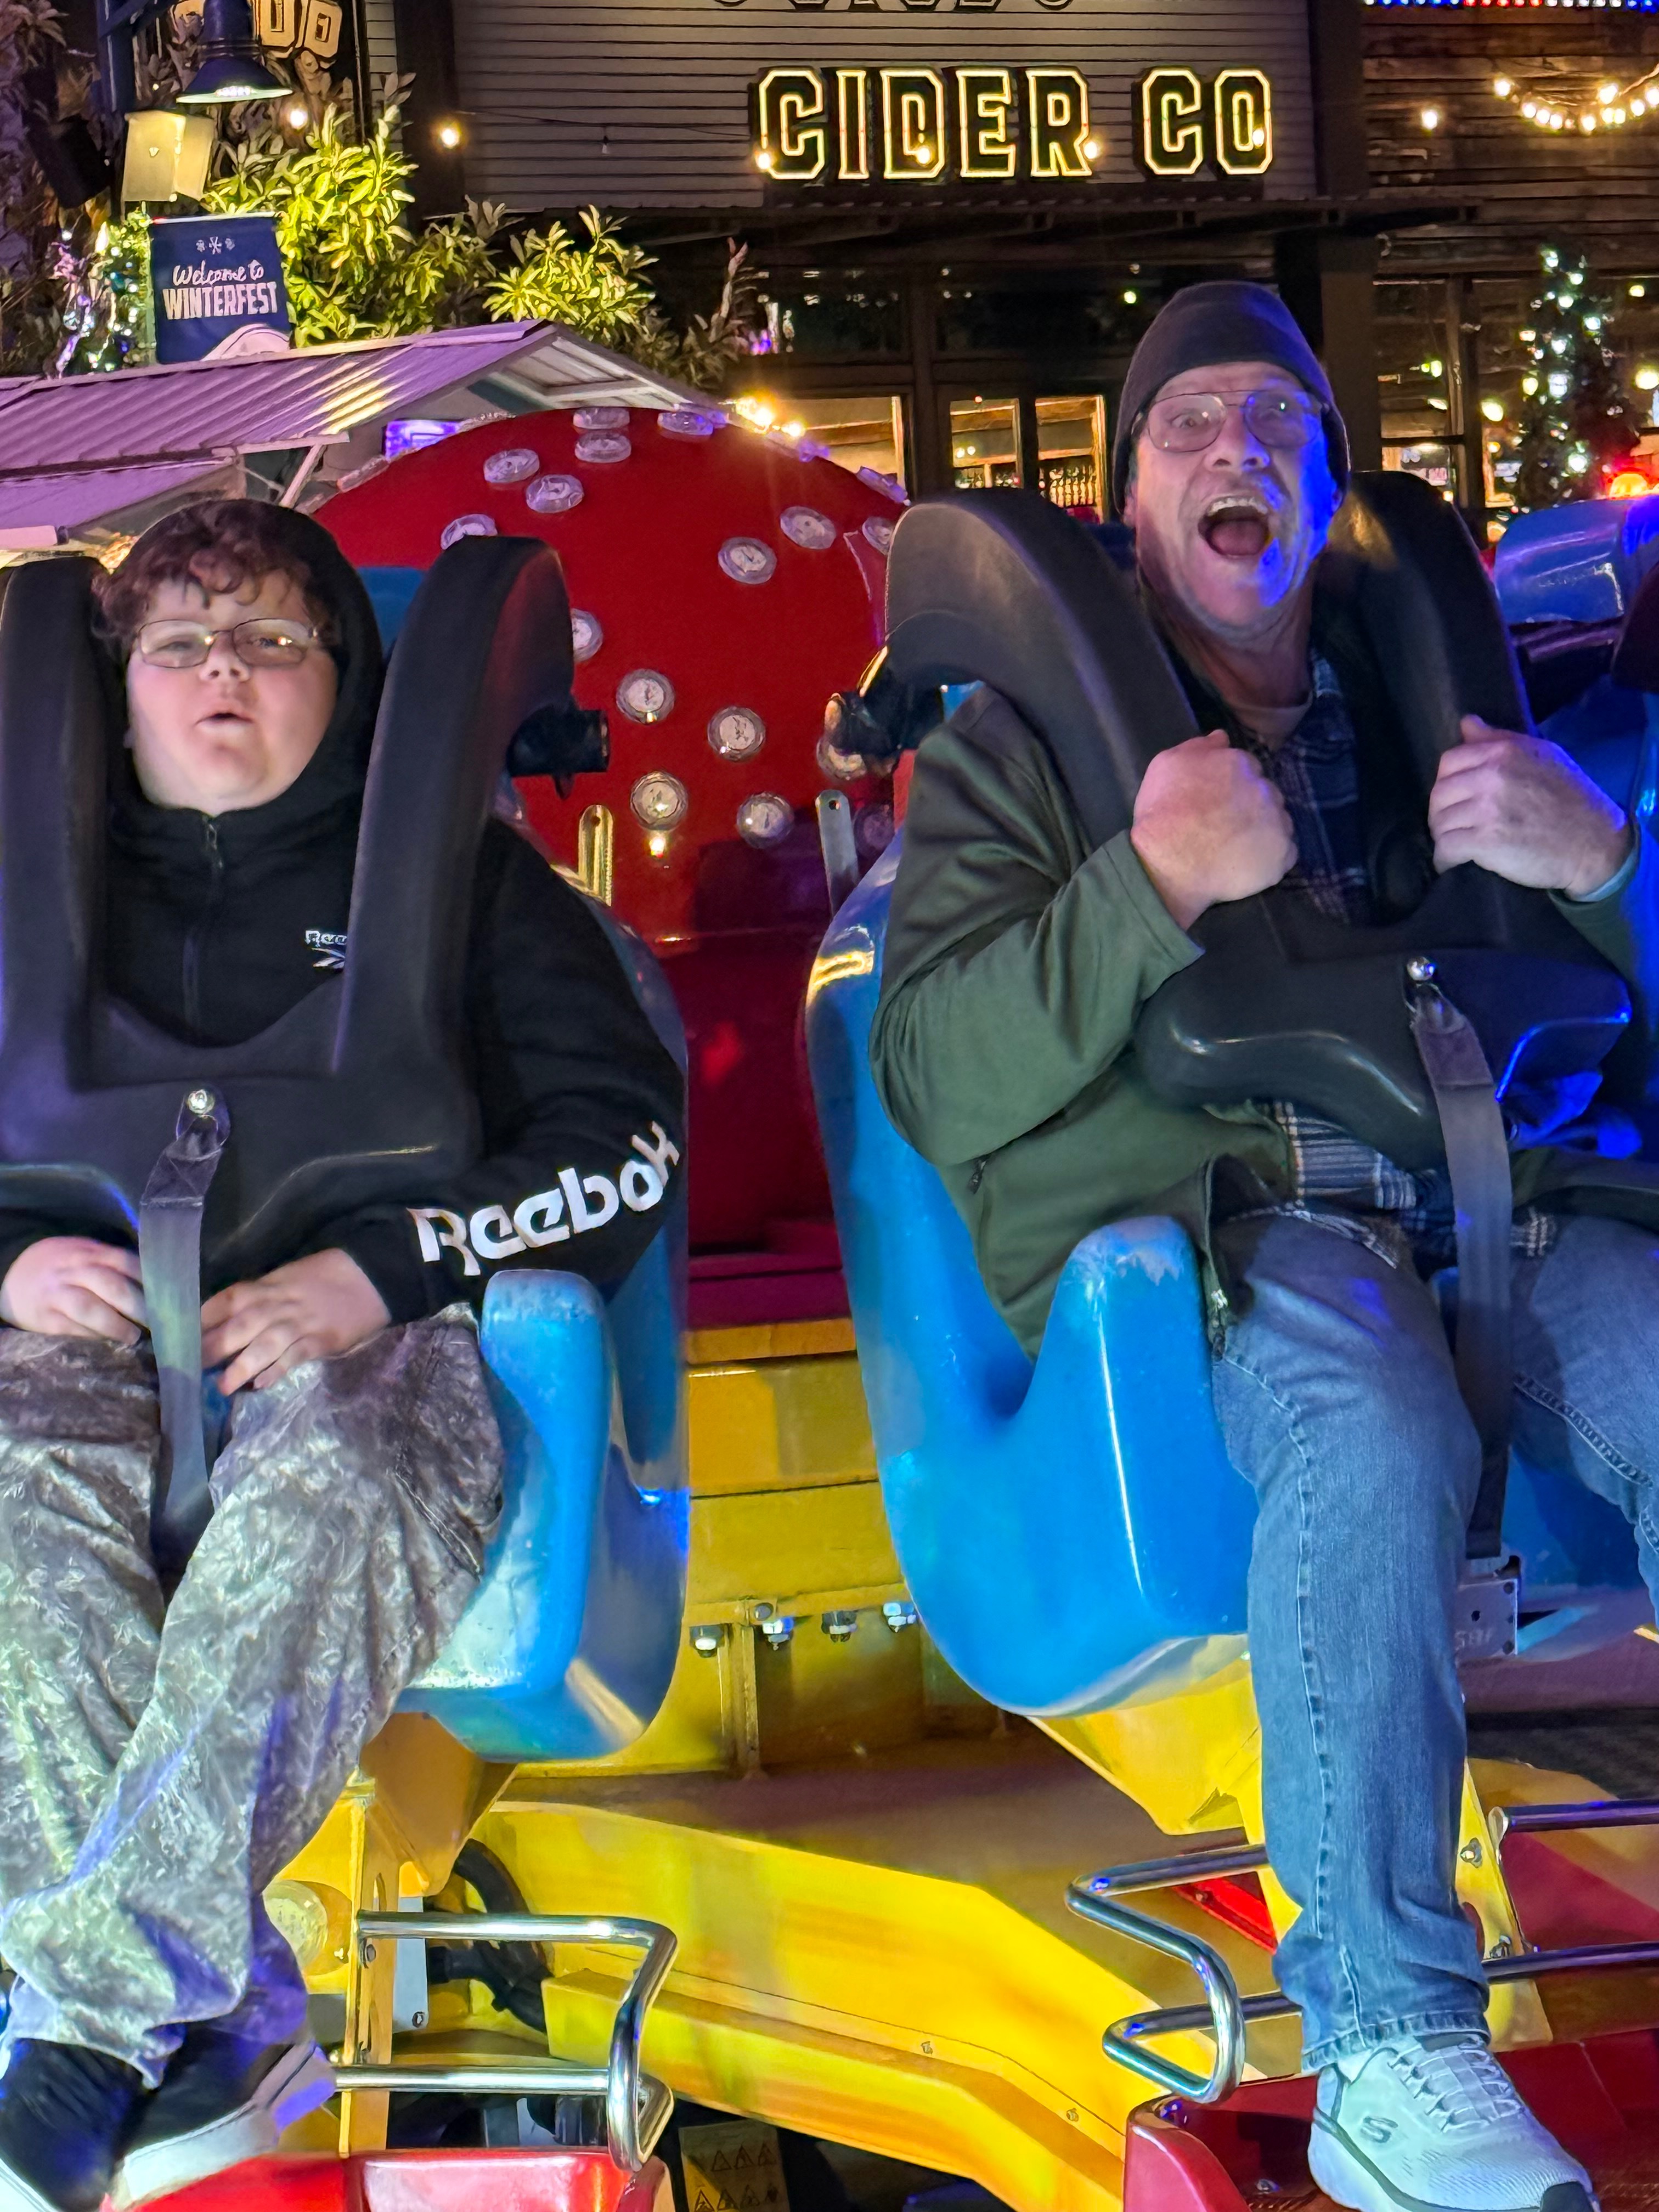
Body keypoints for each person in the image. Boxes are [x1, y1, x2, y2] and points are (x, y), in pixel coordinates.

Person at [870, 282, 1659, 2212]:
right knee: (1368, 1411)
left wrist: (1608, 865)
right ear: (1130, 496)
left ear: (1333, 482)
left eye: (1284, 425)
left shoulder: (1446, 713)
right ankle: (1386, 2043)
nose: (1243, 452)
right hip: (1230, 1233)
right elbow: (934, 1072)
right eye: (1193, 425)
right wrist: (1143, 887)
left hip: (1502, 1205)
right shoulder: (1017, 757)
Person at [0, 499, 685, 2212]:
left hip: (373, 1346)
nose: (221, 671)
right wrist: (8, 1265)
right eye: (180, 644)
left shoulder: (471, 894)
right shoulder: (19, 910)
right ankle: (191, 2015)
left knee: (350, 1473)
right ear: (119, 693)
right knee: (19, 1523)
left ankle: (88, 2031)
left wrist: (381, 1272)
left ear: (345, 681)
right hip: (74, 1356)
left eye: (270, 639)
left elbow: (625, 1148)